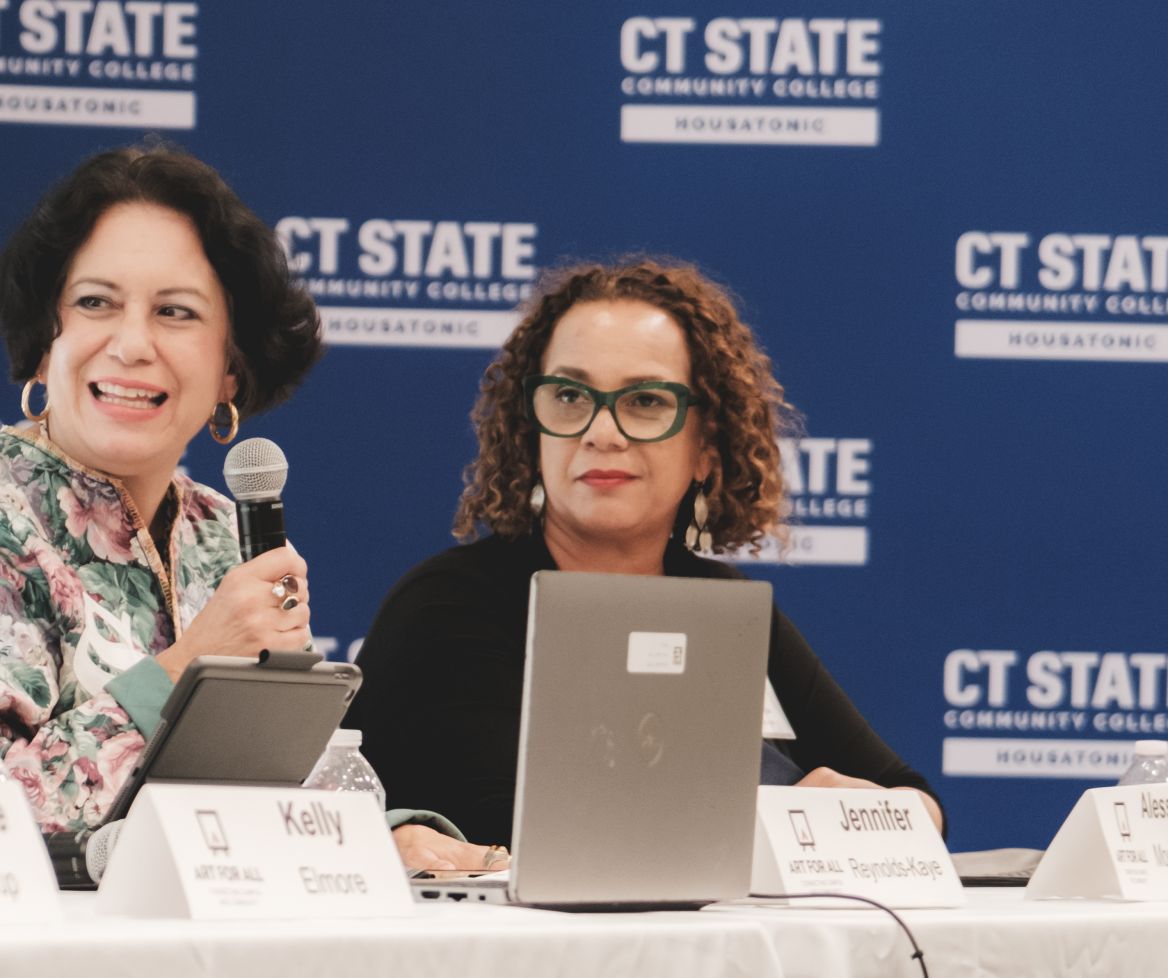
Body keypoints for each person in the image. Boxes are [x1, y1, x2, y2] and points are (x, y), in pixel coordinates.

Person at [0, 142, 495, 870]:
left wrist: (384, 835)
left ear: (231, 367)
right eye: (96, 303)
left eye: (176, 312)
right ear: (47, 343)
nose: (132, 344)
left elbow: (270, 788)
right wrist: (186, 668)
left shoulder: (221, 534)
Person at [346, 257, 941, 848]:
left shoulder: (725, 608)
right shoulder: (448, 608)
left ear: (706, 446)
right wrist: (784, 822)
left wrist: (862, 815)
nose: (602, 432)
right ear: (532, 431)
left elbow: (914, 802)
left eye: (646, 402)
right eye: (570, 397)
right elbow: (523, 829)